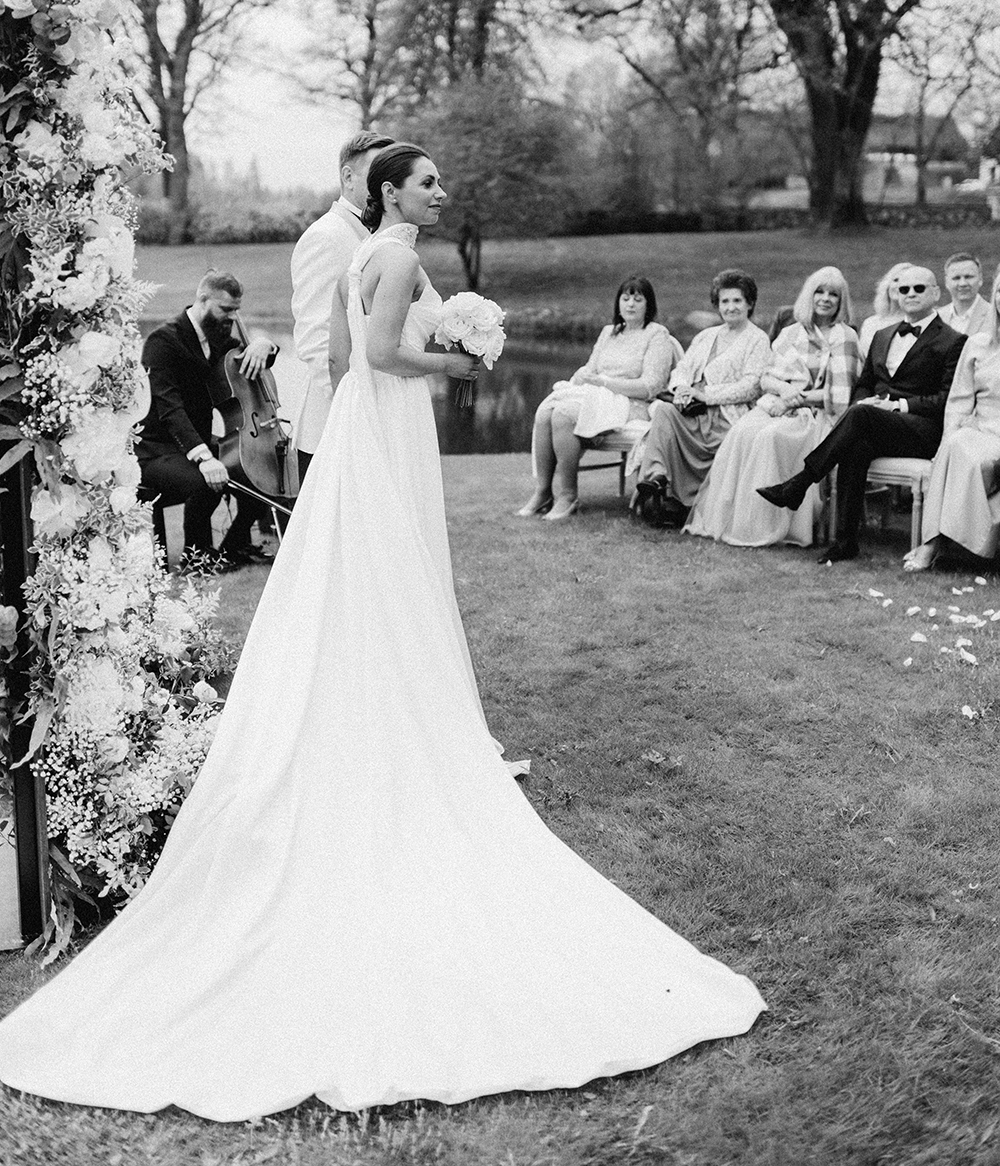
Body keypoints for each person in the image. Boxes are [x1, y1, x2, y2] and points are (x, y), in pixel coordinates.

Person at [0, 143, 764, 1120]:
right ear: (390, 191)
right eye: (427, 182)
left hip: (366, 420)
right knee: (398, 564)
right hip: (391, 407)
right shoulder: (393, 254)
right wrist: (463, 359)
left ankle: (379, 700)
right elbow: (385, 355)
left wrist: (436, 350)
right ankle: (407, 713)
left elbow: (338, 354)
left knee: (371, 565)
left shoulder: (365, 254)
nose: (442, 192)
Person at [758, 266, 966, 563]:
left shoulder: (953, 340)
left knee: (860, 417)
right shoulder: (882, 335)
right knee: (855, 444)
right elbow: (864, 383)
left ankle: (800, 483)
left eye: (919, 288)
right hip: (876, 423)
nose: (910, 294)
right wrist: (864, 401)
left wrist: (897, 406)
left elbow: (945, 399)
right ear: (896, 294)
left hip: (921, 431)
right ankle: (845, 543)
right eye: (904, 289)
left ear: (935, 293)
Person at [686, 267, 861, 548]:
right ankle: (736, 520)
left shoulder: (845, 337)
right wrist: (783, 390)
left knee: (770, 437)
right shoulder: (791, 332)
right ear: (809, 295)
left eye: (833, 294)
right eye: (819, 291)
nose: (825, 299)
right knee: (742, 432)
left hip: (816, 413)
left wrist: (797, 398)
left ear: (842, 301)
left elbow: (840, 395)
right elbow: (766, 377)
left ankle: (766, 524)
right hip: (778, 402)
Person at [136, 270, 278, 572]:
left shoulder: (218, 337)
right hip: (158, 449)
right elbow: (170, 409)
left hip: (195, 441)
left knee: (256, 470)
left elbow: (250, 359)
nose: (232, 317)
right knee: (207, 481)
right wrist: (204, 457)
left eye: (236, 310)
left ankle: (232, 546)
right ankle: (196, 556)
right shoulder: (162, 341)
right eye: (226, 309)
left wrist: (265, 344)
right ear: (202, 299)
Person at [516, 276, 679, 522]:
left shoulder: (657, 334)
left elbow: (650, 386)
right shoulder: (608, 332)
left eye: (638, 299)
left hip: (634, 403)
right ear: (618, 303)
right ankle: (543, 492)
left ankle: (568, 495)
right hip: (599, 396)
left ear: (649, 305)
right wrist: (583, 376)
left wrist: (605, 383)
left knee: (563, 415)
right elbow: (591, 369)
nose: (630, 304)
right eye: (625, 299)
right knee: (546, 411)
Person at [289, 130, 394, 481]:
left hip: (377, 413)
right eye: (377, 174)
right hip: (334, 427)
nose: (386, 186)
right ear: (348, 177)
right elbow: (317, 338)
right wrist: (351, 414)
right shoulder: (326, 237)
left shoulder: (379, 235)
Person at [631, 270, 771, 530]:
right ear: (717, 305)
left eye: (737, 301)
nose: (730, 307)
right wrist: (682, 388)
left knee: (674, 416)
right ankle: (657, 480)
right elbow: (682, 369)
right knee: (664, 411)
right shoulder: (707, 336)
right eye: (724, 301)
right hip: (692, 412)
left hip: (726, 416)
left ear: (750, 303)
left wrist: (706, 396)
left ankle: (684, 503)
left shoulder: (757, 339)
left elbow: (751, 387)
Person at [904, 267, 1000, 571]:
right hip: (978, 429)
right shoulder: (978, 344)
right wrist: (946, 438)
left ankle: (940, 544)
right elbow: (958, 401)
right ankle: (934, 542)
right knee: (954, 445)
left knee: (964, 454)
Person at [858, 262, 911, 358]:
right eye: (896, 280)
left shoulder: (917, 325)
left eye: (906, 282)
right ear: (887, 285)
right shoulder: (870, 324)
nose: (899, 285)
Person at [938, 250, 990, 336]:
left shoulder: (994, 316)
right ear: (946, 282)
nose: (963, 283)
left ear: (980, 279)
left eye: (968, 277)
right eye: (956, 278)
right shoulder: (937, 318)